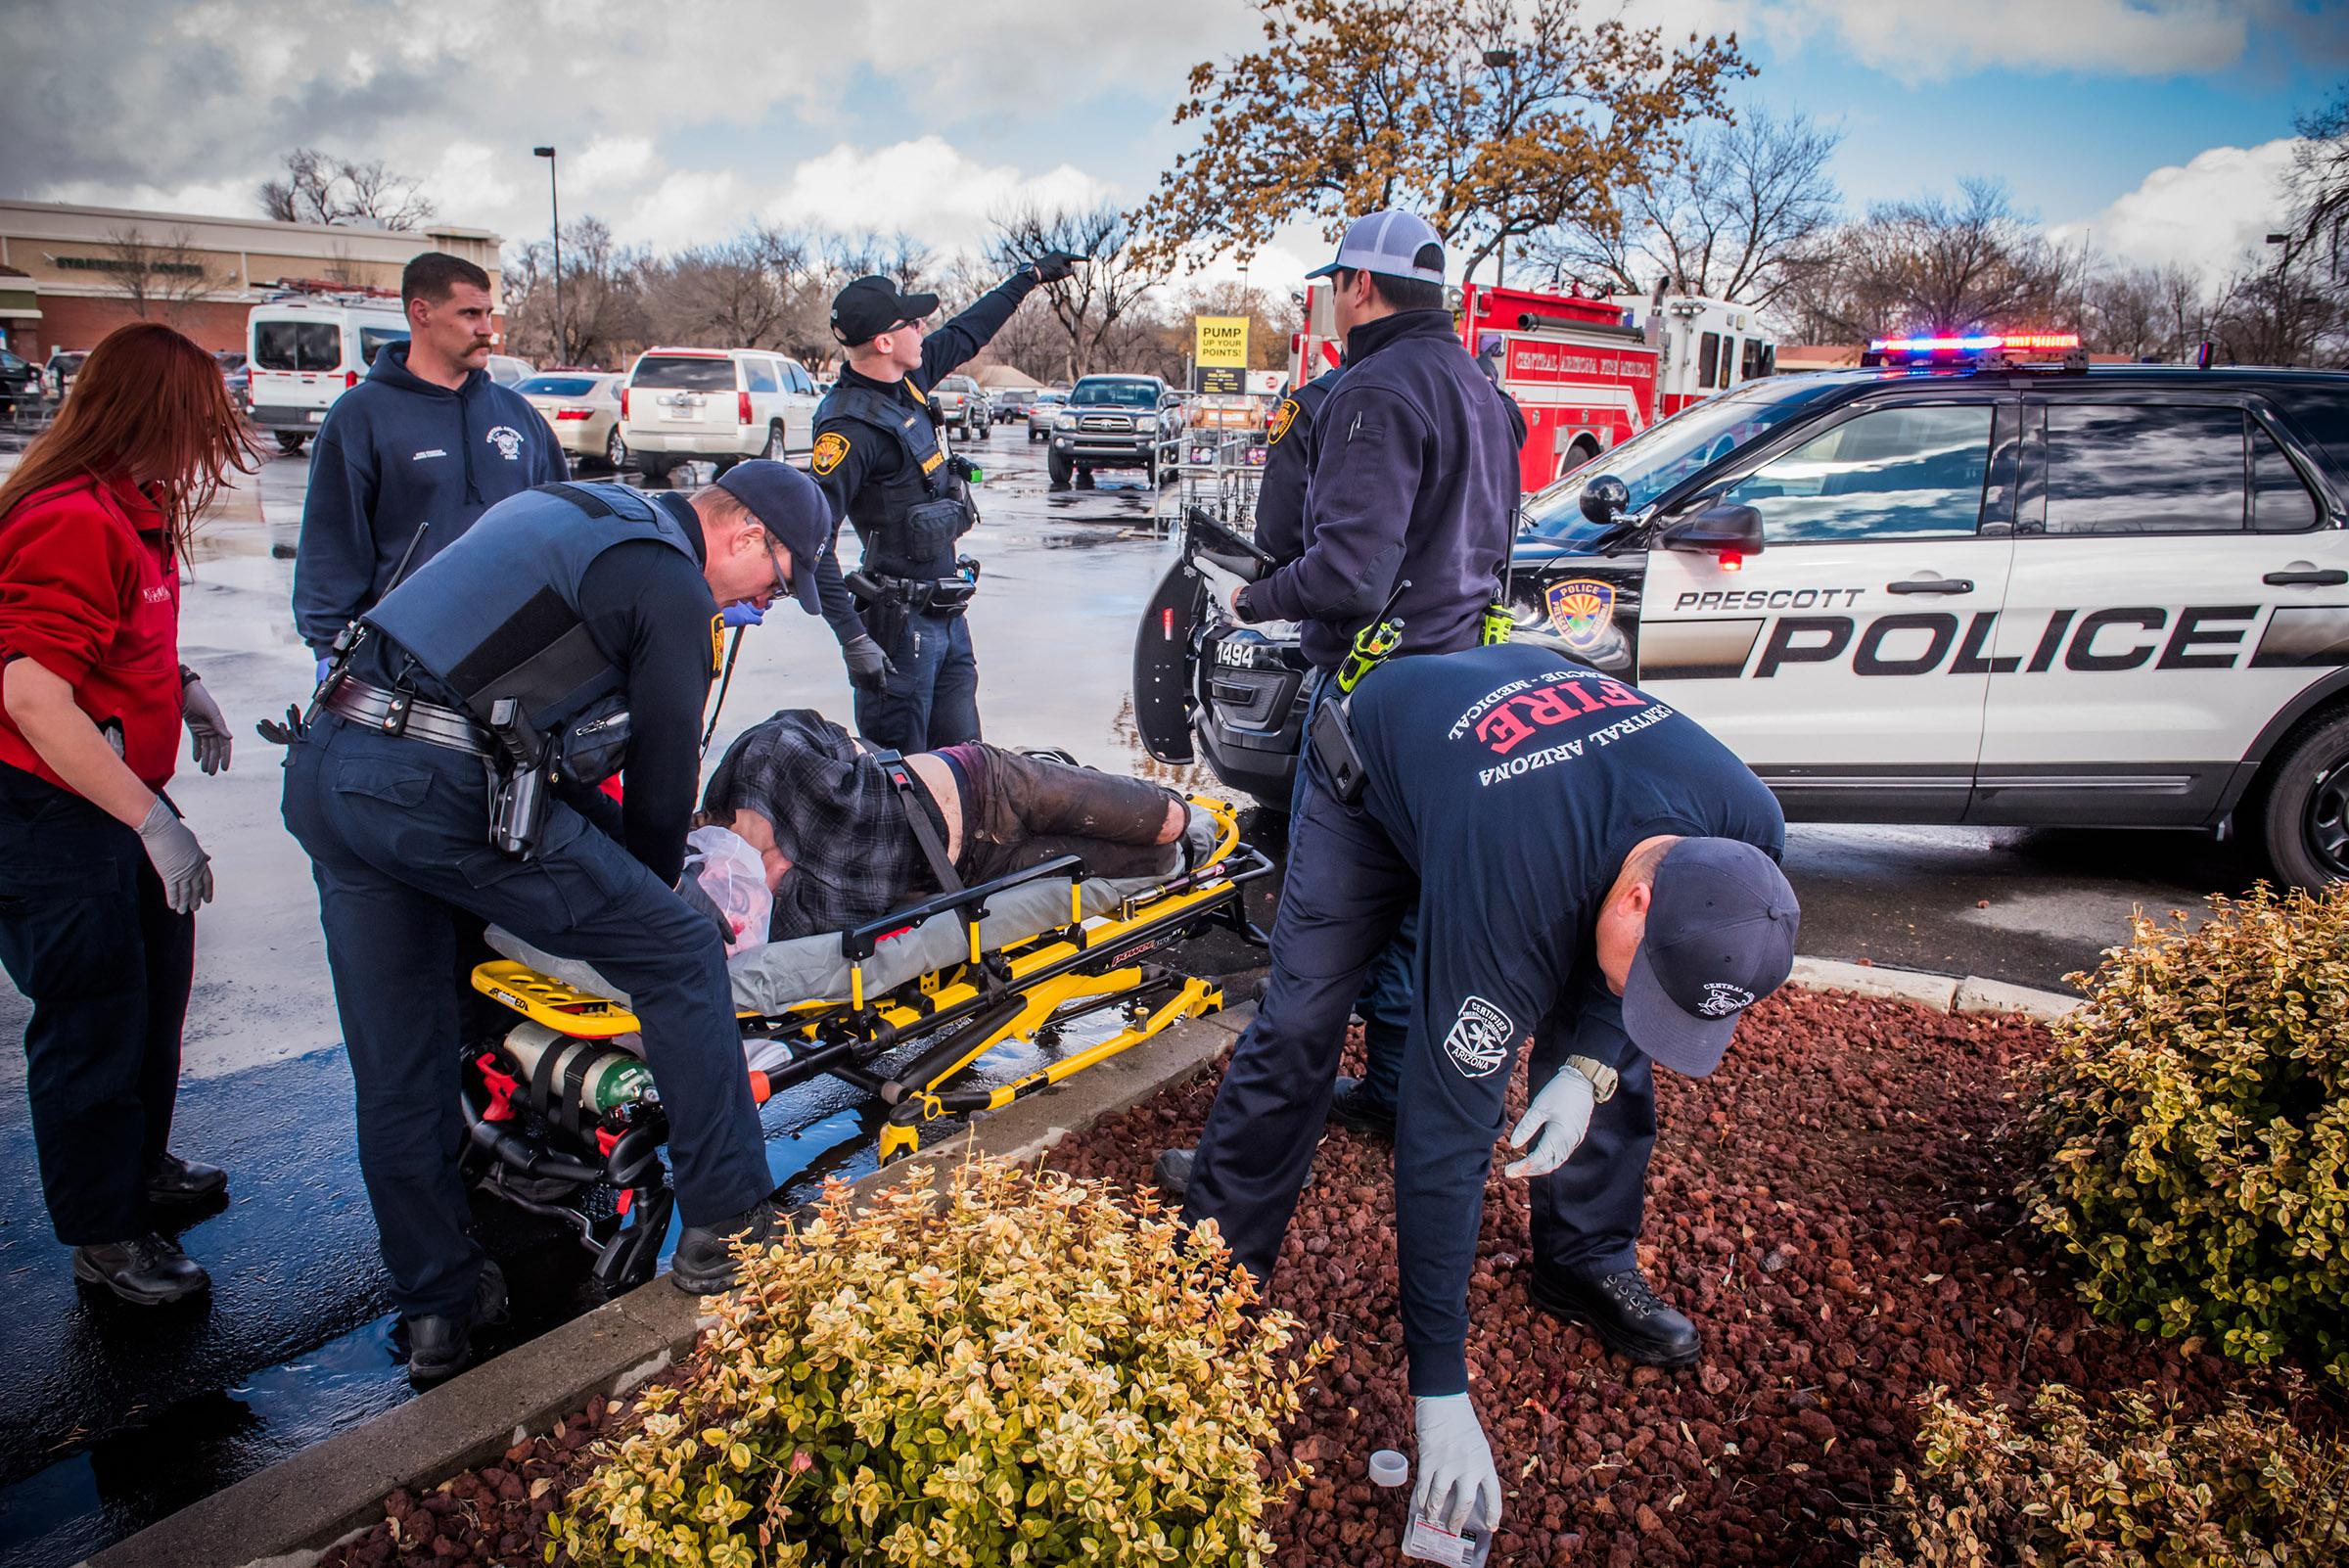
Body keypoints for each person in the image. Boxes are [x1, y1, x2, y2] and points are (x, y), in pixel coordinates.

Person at [1208, 640, 1800, 1538]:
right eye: (1651, 978)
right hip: (1381, 757)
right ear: (1639, 900)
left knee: (1611, 1025)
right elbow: (1445, 1138)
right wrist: (1440, 1391)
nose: (1648, 1003)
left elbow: (1640, 996)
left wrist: (1587, 1067)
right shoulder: (1517, 885)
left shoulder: (1747, 834)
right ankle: (1212, 1270)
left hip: (1541, 775)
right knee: (1302, 1021)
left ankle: (1586, 1261)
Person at [279, 461, 830, 1385]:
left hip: (333, 761)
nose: (768, 604)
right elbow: (662, 791)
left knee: (398, 1061)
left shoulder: (572, 510)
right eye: (777, 581)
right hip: (428, 786)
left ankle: (438, 1311)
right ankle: (732, 1230)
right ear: (741, 537)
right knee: (683, 950)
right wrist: (658, 904)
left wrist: (622, 869)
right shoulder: (666, 582)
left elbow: (541, 753)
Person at [1160, 208, 1522, 1187]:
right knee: (1409, 916)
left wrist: (1256, 595)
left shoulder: (1371, 391)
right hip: (1462, 696)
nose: (1329, 298)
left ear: (1361, 287)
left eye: (1334, 284)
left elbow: (1347, 575)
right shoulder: (1487, 395)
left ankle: (1235, 1180)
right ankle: (1398, 1094)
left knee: (1313, 957)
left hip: (1370, 703)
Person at [0, 322, 254, 1305]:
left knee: (154, 996)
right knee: (95, 1020)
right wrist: (151, 823)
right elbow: (30, 694)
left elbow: (118, 639)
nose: (209, 438)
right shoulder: (71, 517)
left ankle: (139, 1171)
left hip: (113, 798)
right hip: (51, 813)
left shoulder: (134, 507)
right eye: (199, 417)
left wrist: (182, 686)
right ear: (152, 413)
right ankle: (106, 1236)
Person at [807, 254, 1078, 752]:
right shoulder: (848, 428)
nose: (923, 327)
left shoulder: (910, 377)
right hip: (896, 632)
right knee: (906, 784)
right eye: (912, 322)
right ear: (885, 343)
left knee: (966, 768)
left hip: (947, 615)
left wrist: (1029, 277)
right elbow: (813, 543)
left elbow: (971, 329)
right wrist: (852, 638)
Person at [293, 251, 567, 674]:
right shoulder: (362, 415)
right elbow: (331, 540)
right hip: (404, 656)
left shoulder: (518, 415)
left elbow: (562, 527)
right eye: (470, 314)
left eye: (489, 314)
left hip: (515, 648)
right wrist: (329, 647)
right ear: (421, 312)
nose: (487, 330)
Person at [700, 709, 1188, 941]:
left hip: (989, 785)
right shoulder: (777, 920)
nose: (745, 895)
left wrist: (872, 776)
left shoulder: (764, 759)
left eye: (727, 882)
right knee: (1155, 858)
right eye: (735, 900)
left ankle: (1054, 766)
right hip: (976, 869)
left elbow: (830, 732)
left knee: (1169, 822)